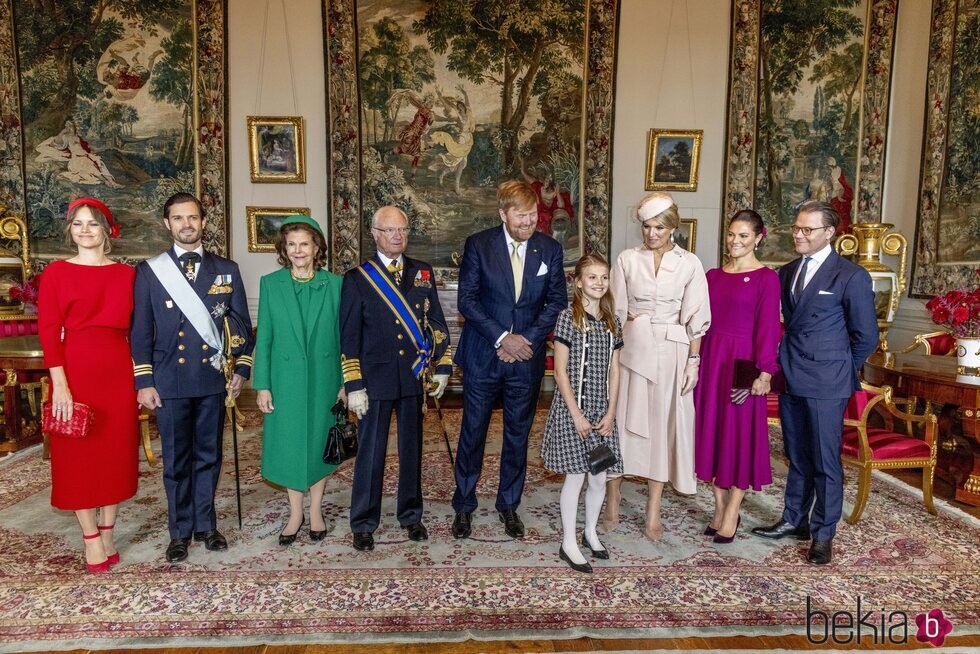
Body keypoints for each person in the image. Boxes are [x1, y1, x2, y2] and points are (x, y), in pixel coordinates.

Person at [131, 192, 254, 563]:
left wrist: (242, 370)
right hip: (169, 381)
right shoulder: (150, 272)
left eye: (194, 218)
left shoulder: (226, 269)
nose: (187, 224)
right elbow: (140, 331)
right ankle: (179, 532)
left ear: (203, 222)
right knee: (176, 460)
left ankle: (206, 525)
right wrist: (144, 381)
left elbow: (243, 327)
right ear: (167, 224)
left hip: (211, 379)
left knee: (209, 456)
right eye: (179, 218)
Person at [751, 201, 877, 564]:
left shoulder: (851, 276)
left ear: (829, 233)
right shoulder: (786, 271)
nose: (799, 235)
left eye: (807, 230)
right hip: (790, 375)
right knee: (797, 456)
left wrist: (839, 369)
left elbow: (865, 336)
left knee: (825, 461)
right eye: (796, 228)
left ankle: (823, 533)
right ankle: (794, 520)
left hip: (827, 381)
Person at [451, 180, 567, 540]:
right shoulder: (479, 245)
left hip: (526, 358)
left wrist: (526, 340)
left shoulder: (549, 249)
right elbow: (467, 301)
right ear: (502, 214)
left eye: (533, 215)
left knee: (518, 435)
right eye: (520, 216)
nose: (528, 223)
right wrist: (504, 338)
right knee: (473, 432)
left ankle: (508, 505)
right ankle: (465, 505)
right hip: (485, 353)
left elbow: (557, 302)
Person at [340, 206, 452, 552]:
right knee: (370, 453)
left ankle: (410, 515)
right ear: (374, 234)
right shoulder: (358, 278)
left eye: (402, 230)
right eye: (389, 230)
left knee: (412, 450)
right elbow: (348, 335)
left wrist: (443, 365)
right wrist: (353, 384)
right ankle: (363, 521)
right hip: (374, 381)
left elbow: (435, 321)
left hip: (413, 379)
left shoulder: (422, 272)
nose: (397, 236)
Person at [603, 192, 710, 541]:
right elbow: (615, 312)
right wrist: (611, 356)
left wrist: (693, 361)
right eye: (647, 227)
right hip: (634, 345)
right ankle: (613, 498)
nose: (652, 234)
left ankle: (653, 510)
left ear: (673, 228)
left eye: (659, 228)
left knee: (664, 428)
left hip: (673, 351)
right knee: (621, 424)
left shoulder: (690, 263)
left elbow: (696, 316)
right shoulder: (626, 259)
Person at [38, 198, 136, 573]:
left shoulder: (128, 275)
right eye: (77, 224)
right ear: (70, 231)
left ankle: (108, 531)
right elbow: (48, 331)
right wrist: (59, 384)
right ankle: (90, 538)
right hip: (73, 369)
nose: (84, 230)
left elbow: (138, 330)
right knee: (77, 456)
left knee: (114, 454)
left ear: (107, 230)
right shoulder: (56, 274)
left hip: (117, 370)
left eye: (92, 224)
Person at [253, 216, 345, 546]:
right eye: (291, 244)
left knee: (321, 443)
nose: (297, 250)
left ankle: (317, 510)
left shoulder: (335, 285)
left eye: (304, 243)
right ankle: (296, 513)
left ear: (317, 246)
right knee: (291, 445)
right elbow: (264, 337)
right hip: (284, 381)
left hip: (325, 379)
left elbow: (343, 338)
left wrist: (345, 381)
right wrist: (262, 384)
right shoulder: (270, 284)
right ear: (283, 249)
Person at [693, 210, 780, 544]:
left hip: (742, 365)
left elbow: (769, 328)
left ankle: (733, 510)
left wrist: (765, 372)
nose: (735, 241)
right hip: (712, 362)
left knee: (739, 436)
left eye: (743, 235)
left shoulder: (766, 279)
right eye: (731, 234)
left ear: (759, 237)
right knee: (710, 434)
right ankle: (718, 506)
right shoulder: (712, 275)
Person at [541, 255, 623, 573]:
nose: (599, 283)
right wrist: (576, 414)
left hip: (602, 412)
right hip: (573, 410)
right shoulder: (567, 318)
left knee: (600, 477)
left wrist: (612, 411)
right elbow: (559, 371)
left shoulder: (611, 321)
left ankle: (590, 531)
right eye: (592, 277)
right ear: (578, 282)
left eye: (604, 277)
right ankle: (568, 542)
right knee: (575, 477)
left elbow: (615, 371)